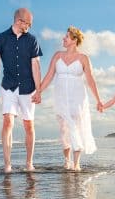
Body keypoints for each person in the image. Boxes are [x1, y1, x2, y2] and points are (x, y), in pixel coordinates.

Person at [33, 26, 103, 171]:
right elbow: (49, 76)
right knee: (64, 128)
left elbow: (91, 80)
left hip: (77, 97)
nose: (63, 39)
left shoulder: (84, 58)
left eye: (66, 37)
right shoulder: (57, 55)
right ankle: (67, 160)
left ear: (74, 40)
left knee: (76, 127)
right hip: (60, 97)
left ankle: (76, 163)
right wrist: (38, 91)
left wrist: (98, 100)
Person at [0, 8, 42, 173]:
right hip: (8, 86)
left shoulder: (32, 40)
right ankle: (7, 164)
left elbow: (36, 66)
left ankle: (29, 162)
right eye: (28, 24)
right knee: (8, 122)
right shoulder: (0, 38)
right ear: (20, 21)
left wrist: (39, 90)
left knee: (28, 125)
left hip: (28, 88)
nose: (30, 27)